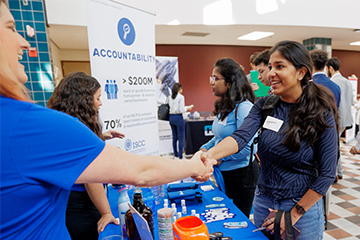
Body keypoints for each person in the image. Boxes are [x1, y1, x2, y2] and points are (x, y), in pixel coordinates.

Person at [0, 2, 216, 239]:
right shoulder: (33, 125)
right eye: (11, 28)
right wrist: (194, 165)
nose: (24, 41)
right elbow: (140, 171)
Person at [200, 40, 339, 240]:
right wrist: (209, 155)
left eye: (280, 66)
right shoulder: (265, 105)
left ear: (301, 72)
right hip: (264, 202)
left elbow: (327, 173)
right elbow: (241, 137)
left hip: (301, 208)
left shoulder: (320, 111)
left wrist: (294, 213)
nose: (271, 73)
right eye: (271, 67)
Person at [47, 72, 125, 240]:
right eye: (97, 98)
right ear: (83, 100)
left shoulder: (64, 122)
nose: (100, 103)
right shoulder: (78, 129)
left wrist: (102, 136)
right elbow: (92, 178)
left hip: (68, 202)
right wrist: (106, 213)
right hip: (81, 207)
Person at [200, 58, 258, 218]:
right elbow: (218, 139)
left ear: (230, 82)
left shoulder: (244, 107)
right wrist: (204, 150)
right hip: (225, 174)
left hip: (242, 175)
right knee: (227, 216)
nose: (211, 83)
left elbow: (248, 147)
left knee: (240, 220)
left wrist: (218, 158)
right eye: (211, 78)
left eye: (216, 78)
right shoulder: (225, 107)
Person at [326, 57, 353, 180]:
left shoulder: (333, 82)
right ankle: (339, 172)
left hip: (338, 118)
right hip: (346, 118)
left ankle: (336, 173)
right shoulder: (347, 81)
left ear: (330, 68)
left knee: (332, 146)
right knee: (335, 145)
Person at [166, 83, 193, 159]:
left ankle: (176, 154)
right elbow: (181, 110)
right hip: (178, 118)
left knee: (174, 137)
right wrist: (188, 108)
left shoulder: (169, 97)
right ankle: (181, 156)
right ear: (179, 89)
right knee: (181, 137)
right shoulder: (181, 97)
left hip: (171, 117)